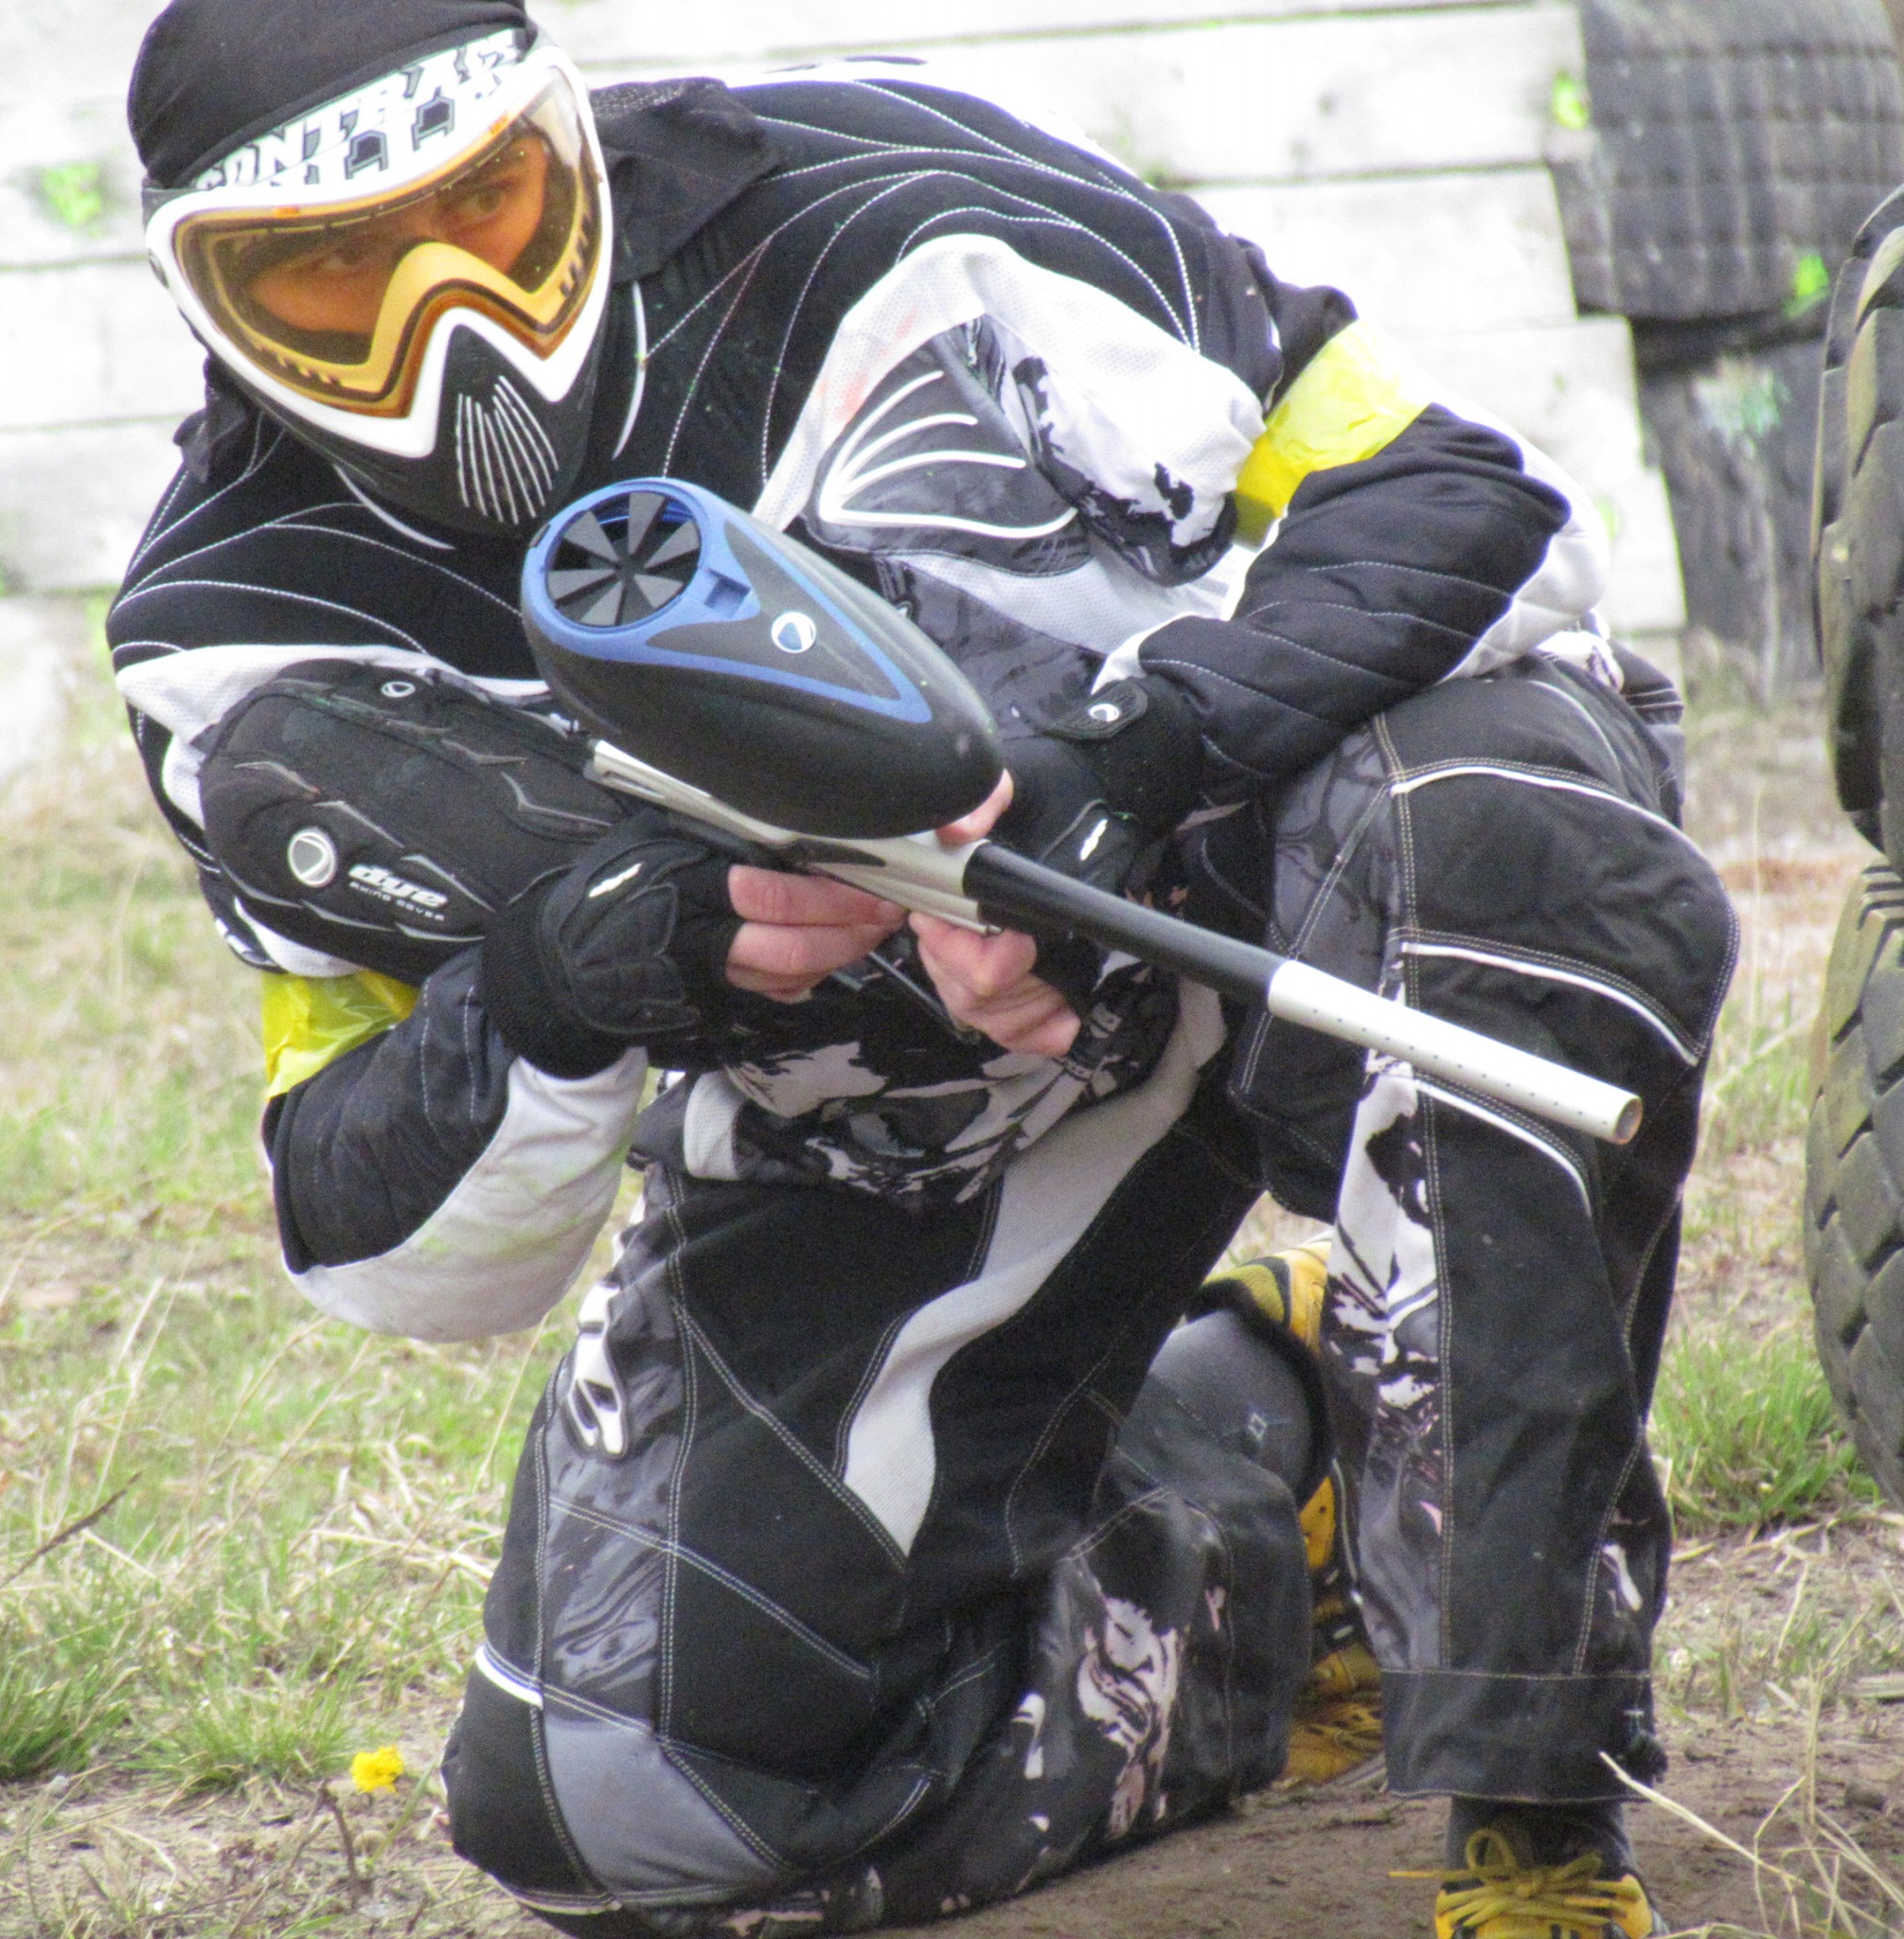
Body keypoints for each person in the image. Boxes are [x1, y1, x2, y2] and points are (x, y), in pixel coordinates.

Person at [113, 0, 1734, 1932]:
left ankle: (1529, 1798)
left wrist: (1146, 751)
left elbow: (1459, 493)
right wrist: (563, 982)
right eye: (333, 276)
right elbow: (375, 1229)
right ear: (213, 302)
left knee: (1500, 838)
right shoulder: (237, 639)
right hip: (909, 1093)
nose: (442, 327)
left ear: (573, 150)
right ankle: (1260, 1495)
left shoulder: (890, 208)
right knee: (630, 1801)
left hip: (1274, 861)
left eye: (488, 216)